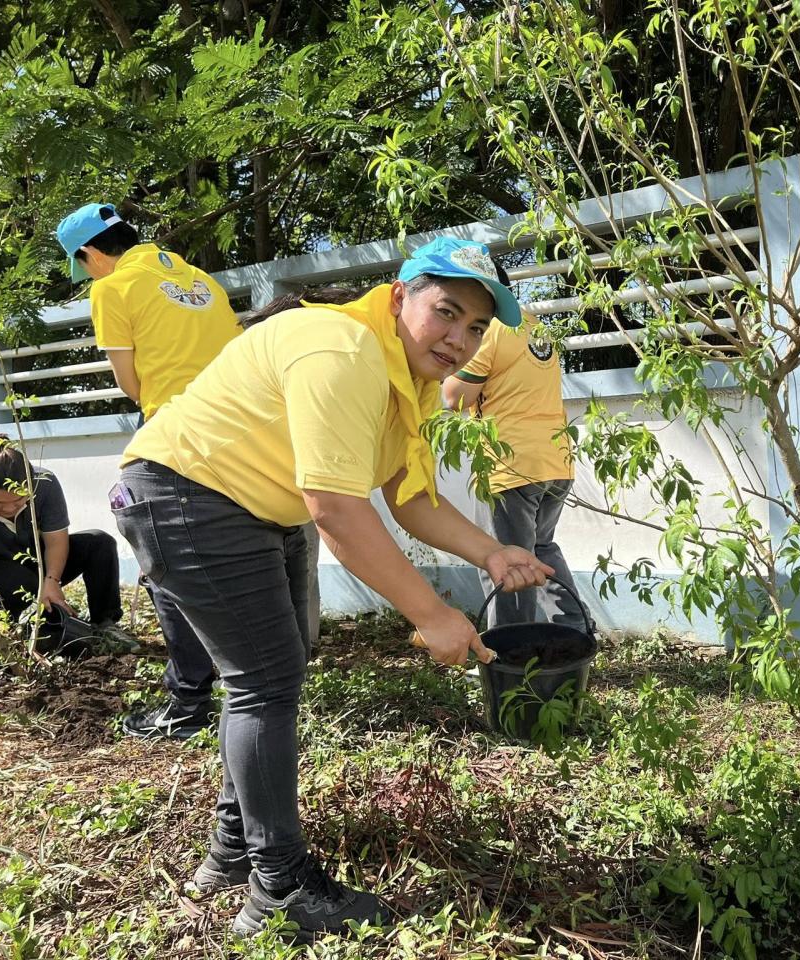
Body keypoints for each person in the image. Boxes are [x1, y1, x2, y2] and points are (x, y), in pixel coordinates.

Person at [111, 237, 552, 940]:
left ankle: (234, 851)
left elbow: (409, 498)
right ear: (401, 295)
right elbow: (339, 510)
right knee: (267, 679)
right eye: (448, 312)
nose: (459, 339)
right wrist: (433, 614)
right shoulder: (342, 350)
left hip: (251, 507)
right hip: (186, 497)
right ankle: (279, 890)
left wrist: (491, 552)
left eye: (476, 328)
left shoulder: (402, 380)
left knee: (270, 674)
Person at [55, 202, 239, 739]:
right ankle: (252, 688)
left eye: (81, 263)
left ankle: (187, 704)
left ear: (91, 252)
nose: (86, 273)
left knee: (164, 567)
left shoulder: (112, 289)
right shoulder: (201, 279)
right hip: (240, 429)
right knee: (236, 563)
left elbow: (133, 385)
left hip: (178, 438)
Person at [443, 306, 592, 632]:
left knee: (505, 559)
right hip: (556, 460)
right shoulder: (537, 328)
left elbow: (453, 396)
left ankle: (509, 651)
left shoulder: (489, 330)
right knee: (540, 548)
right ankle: (577, 628)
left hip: (511, 464)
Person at [0, 433, 128, 651]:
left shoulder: (45, 484)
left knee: (99, 543)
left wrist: (52, 580)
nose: (8, 508)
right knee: (34, 598)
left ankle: (105, 623)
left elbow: (56, 541)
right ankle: (37, 626)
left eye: (18, 500)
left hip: (37, 558)